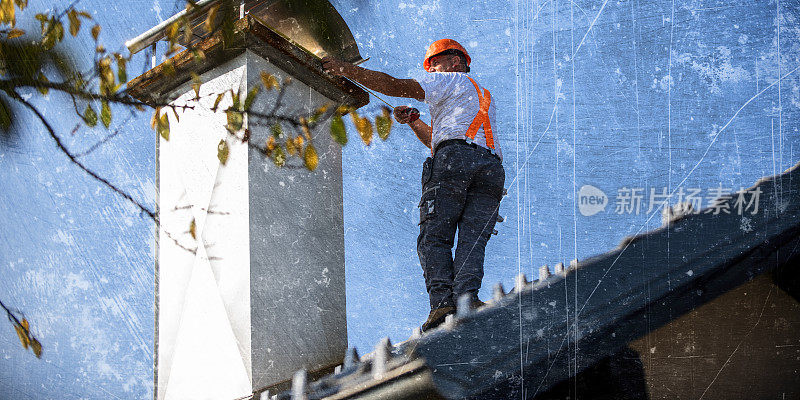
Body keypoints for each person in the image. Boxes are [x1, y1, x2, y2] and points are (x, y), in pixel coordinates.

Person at [322, 38, 505, 331]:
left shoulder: (448, 80)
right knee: (473, 238)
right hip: (491, 170)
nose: (430, 70)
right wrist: (415, 122)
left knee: (434, 235)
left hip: (455, 160)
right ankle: (467, 299)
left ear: (455, 62)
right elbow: (442, 139)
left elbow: (397, 86)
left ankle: (443, 305)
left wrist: (347, 70)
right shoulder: (481, 94)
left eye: (434, 63)